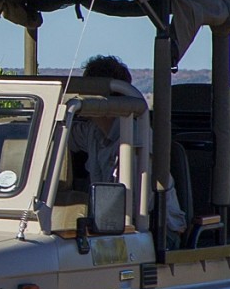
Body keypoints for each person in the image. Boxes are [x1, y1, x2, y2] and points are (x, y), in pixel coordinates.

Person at [75, 54, 186, 239]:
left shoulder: (135, 140)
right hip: (113, 225)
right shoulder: (95, 130)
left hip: (156, 232)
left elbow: (130, 209)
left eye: (88, 91)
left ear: (103, 99)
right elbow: (65, 135)